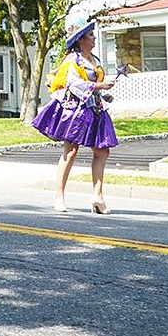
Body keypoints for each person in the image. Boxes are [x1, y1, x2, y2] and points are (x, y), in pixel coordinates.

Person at [31, 20, 118, 214]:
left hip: (95, 108)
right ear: (80, 40)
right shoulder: (72, 61)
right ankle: (59, 196)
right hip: (75, 110)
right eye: (90, 36)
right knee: (70, 151)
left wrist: (103, 93)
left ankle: (98, 197)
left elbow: (94, 83)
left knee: (102, 151)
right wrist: (100, 87)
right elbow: (73, 84)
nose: (94, 38)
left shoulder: (95, 60)